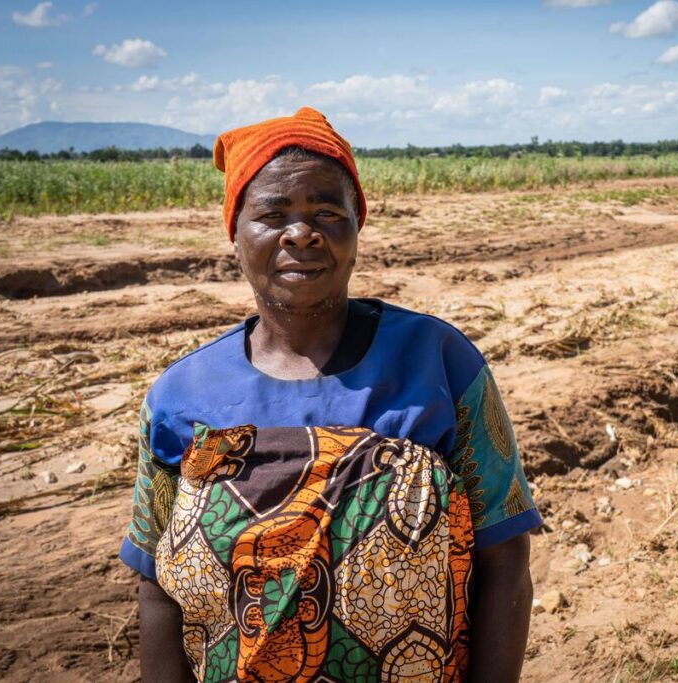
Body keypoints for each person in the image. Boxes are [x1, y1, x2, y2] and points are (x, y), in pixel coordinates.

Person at [117, 107, 542, 682]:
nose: (302, 233)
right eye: (272, 214)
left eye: (327, 212)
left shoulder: (439, 361)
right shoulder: (180, 395)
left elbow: (504, 555)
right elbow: (158, 590)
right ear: (235, 235)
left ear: (355, 228)